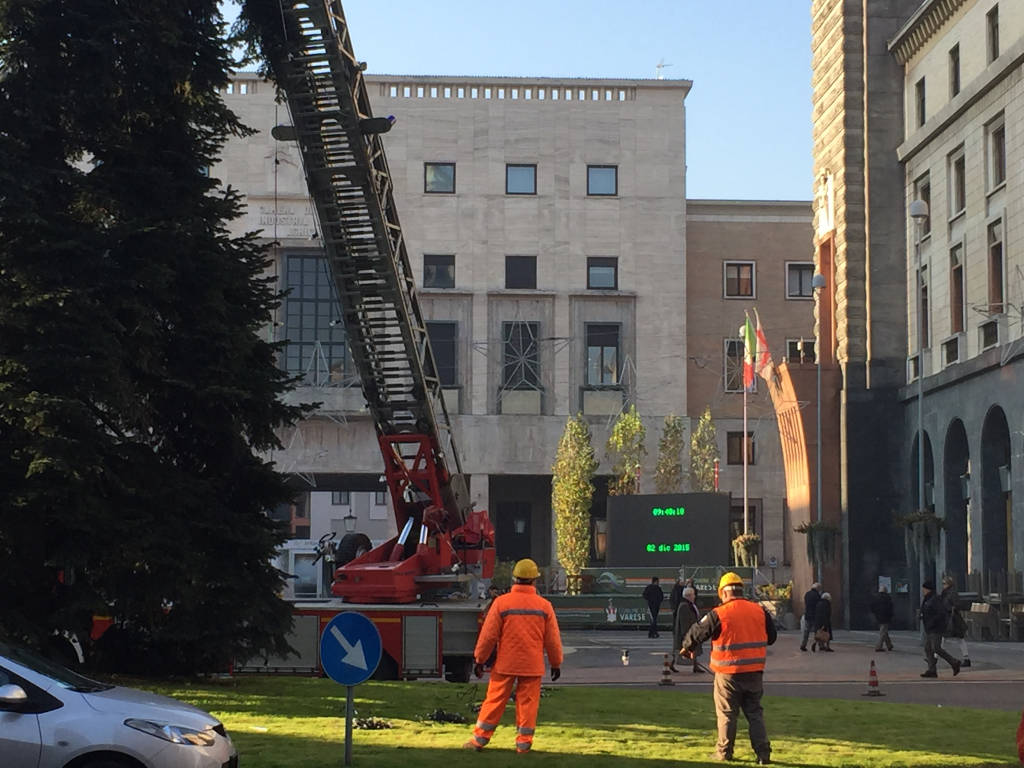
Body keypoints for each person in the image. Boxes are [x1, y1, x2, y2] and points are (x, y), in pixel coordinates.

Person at [464, 558, 563, 754]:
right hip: (531, 664)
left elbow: (488, 636)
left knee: (494, 700)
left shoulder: (501, 603)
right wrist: (556, 663)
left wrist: (479, 660)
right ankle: (523, 744)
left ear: (514, 579)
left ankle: (479, 740)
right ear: (535, 580)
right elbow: (552, 640)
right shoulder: (544, 606)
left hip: (505, 663)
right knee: (528, 703)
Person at [680, 572, 777, 764]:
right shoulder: (759, 610)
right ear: (742, 590)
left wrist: (686, 647)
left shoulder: (719, 613)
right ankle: (763, 754)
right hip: (755, 673)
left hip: (728, 674)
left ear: (723, 593)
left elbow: (697, 631)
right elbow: (772, 637)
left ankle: (724, 753)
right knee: (755, 714)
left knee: (727, 714)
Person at [920, 580, 961, 678]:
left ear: (927, 589)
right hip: (929, 627)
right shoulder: (927, 598)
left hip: (936, 628)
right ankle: (932, 670)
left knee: (936, 648)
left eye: (924, 589)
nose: (923, 590)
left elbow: (940, 613)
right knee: (928, 648)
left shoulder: (934, 599)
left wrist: (932, 621)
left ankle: (954, 662)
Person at [672, 586, 703, 673]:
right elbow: (684, 621)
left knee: (691, 649)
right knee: (681, 649)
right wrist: (686, 633)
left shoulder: (690, 605)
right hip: (687, 631)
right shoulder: (684, 606)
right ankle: (671, 663)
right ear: (688, 596)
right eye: (693, 595)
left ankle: (695, 666)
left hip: (692, 630)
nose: (694, 596)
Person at [941, 575, 970, 667]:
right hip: (951, 618)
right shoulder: (946, 593)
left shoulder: (951, 593)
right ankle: (966, 658)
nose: (943, 585)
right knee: (946, 638)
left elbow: (956, 604)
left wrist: (950, 608)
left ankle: (935, 658)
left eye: (944, 583)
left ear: (948, 584)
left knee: (956, 639)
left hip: (953, 619)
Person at [870, 585, 895, 652]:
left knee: (884, 631)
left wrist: (875, 613)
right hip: (886, 617)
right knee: (883, 632)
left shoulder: (876, 598)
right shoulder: (888, 598)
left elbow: (872, 607)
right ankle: (878, 647)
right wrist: (891, 616)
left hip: (878, 617)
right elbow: (890, 608)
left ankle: (889, 645)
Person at [799, 582, 821, 651]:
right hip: (814, 616)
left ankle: (803, 645)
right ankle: (820, 645)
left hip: (807, 615)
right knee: (817, 632)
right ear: (817, 588)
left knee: (806, 632)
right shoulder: (817, 595)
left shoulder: (807, 594)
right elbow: (818, 606)